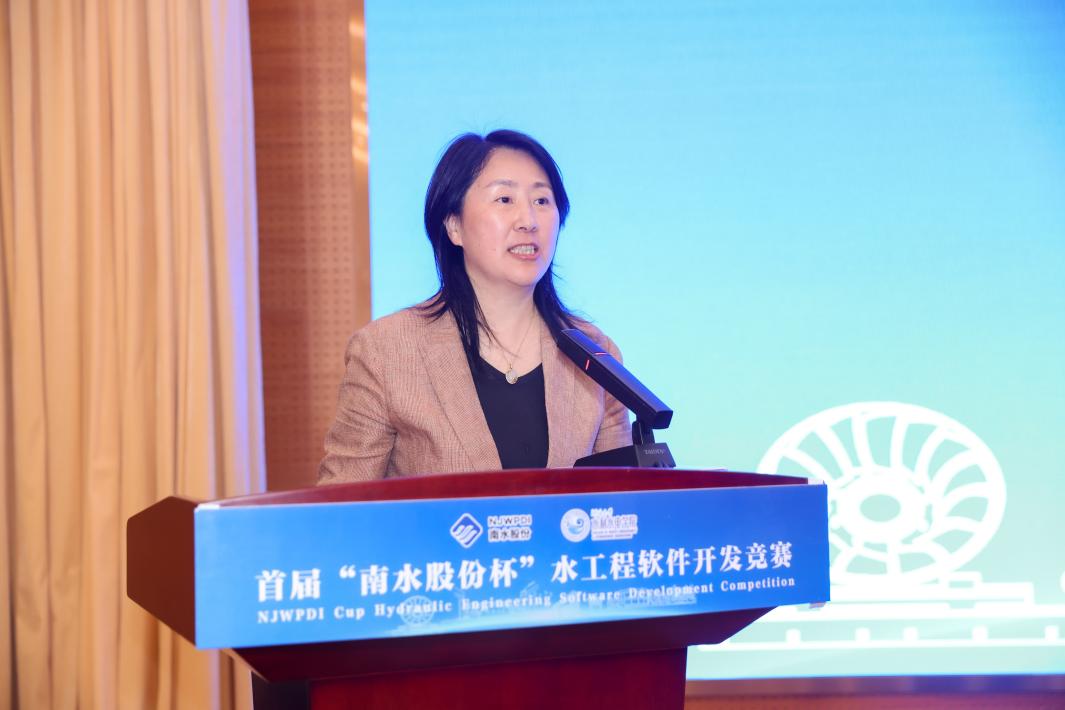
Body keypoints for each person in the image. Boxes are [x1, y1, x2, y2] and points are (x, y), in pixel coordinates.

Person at [318, 130, 630, 483]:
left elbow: (621, 500)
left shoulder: (595, 356)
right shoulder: (386, 352)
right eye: (505, 199)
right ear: (454, 226)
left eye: (542, 201)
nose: (528, 220)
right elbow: (343, 503)